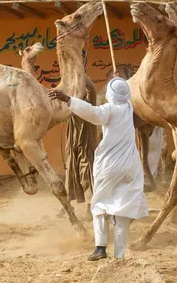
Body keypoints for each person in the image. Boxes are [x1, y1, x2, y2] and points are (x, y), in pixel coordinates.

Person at [48, 76, 148, 261]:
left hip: (111, 165)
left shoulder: (109, 110)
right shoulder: (128, 108)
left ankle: (100, 248)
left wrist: (68, 99)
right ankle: (119, 255)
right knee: (122, 209)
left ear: (110, 94)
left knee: (100, 204)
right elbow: (121, 95)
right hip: (130, 166)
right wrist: (120, 81)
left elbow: (92, 114)